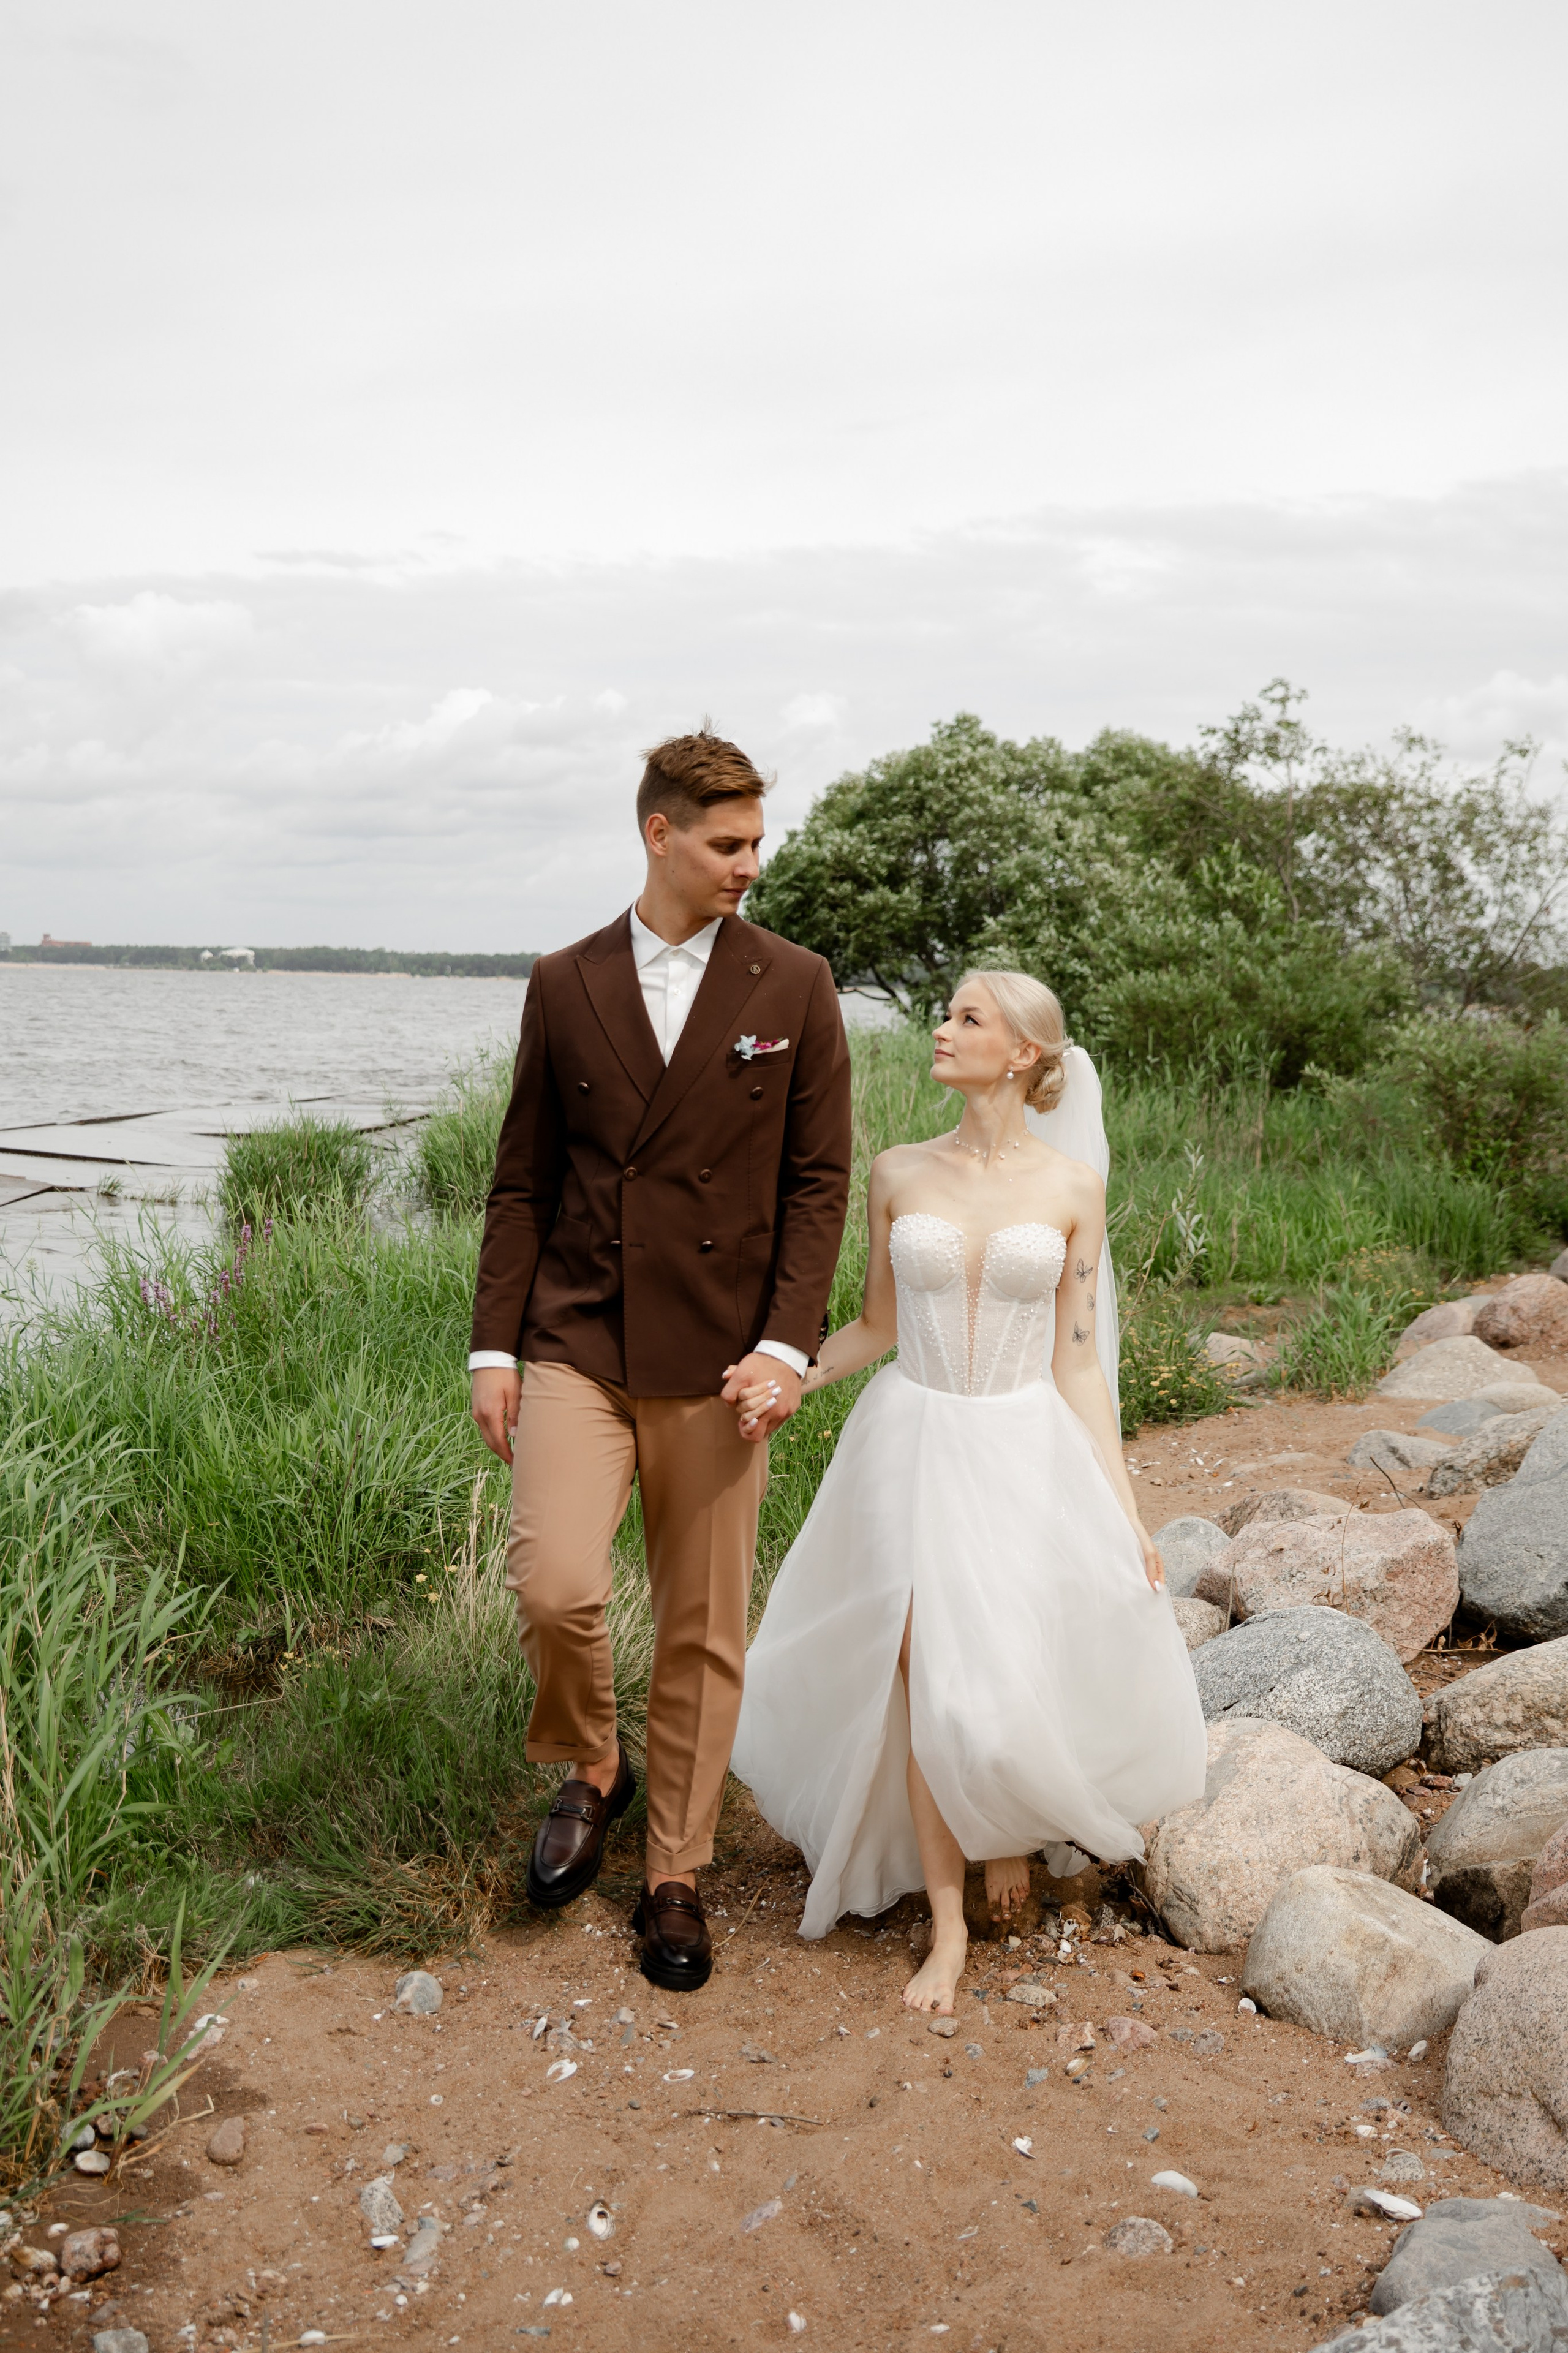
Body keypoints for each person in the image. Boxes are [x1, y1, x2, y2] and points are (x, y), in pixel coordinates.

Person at [731, 969, 1206, 2013]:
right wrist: (789, 1377)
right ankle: (946, 1927)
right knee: (924, 1671)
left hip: (1020, 1444)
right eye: (945, 1014)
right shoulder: (898, 1171)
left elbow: (1076, 1359)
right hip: (908, 1435)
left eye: (966, 1018)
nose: (941, 1030)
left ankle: (1007, 1829)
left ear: (1026, 1052)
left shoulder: (1073, 1189)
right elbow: (877, 1324)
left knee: (998, 1669)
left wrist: (1125, 1507)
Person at [469, 728, 851, 1992]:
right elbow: (522, 1181)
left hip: (724, 1354)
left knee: (701, 1628)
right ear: (659, 834)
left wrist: (786, 1345)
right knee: (555, 1584)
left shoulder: (795, 984)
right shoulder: (563, 980)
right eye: (728, 843)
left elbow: (817, 1183)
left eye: (756, 842)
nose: (750, 863)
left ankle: (674, 1873)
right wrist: (492, 1344)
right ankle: (595, 1760)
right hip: (576, 1337)